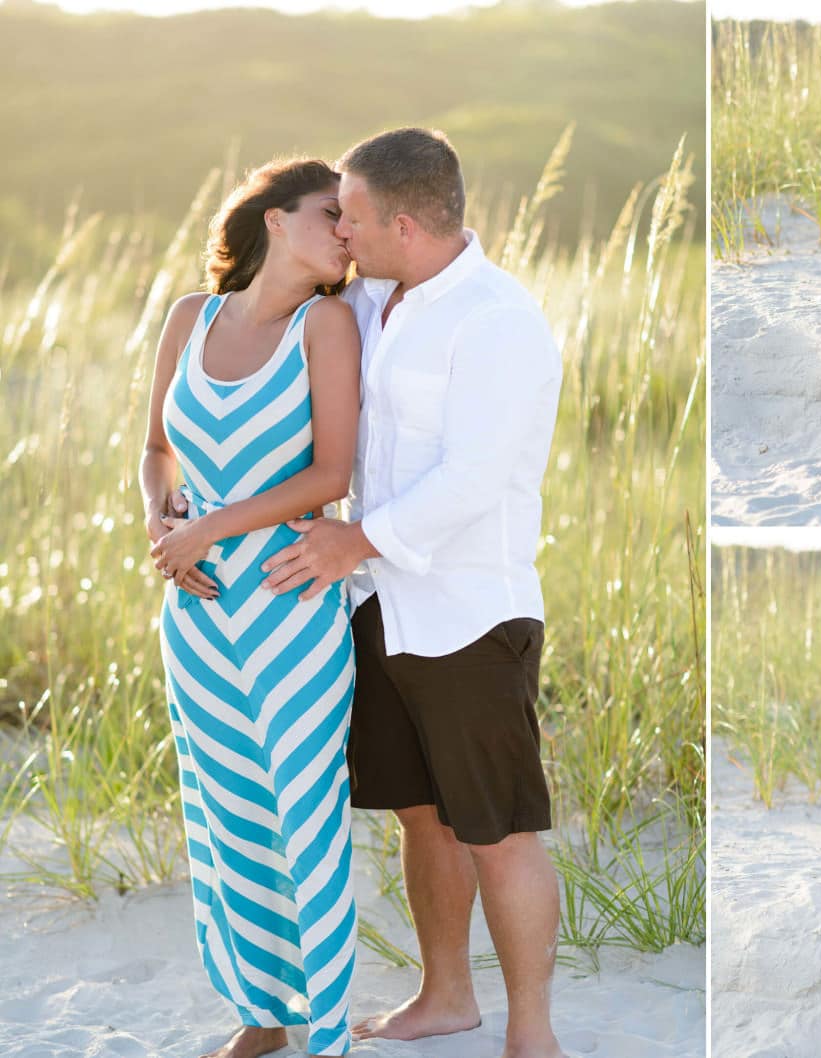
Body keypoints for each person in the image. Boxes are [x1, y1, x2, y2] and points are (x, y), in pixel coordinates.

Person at [255, 127, 566, 1058]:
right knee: (421, 813)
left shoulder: (498, 321)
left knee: (498, 829)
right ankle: (445, 996)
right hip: (379, 607)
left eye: (349, 216)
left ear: (400, 221)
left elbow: (475, 478)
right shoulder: (373, 301)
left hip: (473, 612)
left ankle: (533, 1033)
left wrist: (355, 539)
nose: (339, 232)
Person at [140, 158, 363, 1058]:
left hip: (290, 604)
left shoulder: (329, 324)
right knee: (226, 815)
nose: (346, 232)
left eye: (353, 220)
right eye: (329, 213)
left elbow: (332, 475)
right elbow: (156, 446)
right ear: (274, 220)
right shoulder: (189, 318)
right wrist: (160, 522)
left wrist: (213, 527)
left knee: (303, 812)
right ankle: (262, 1015)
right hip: (195, 614)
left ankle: (326, 1030)